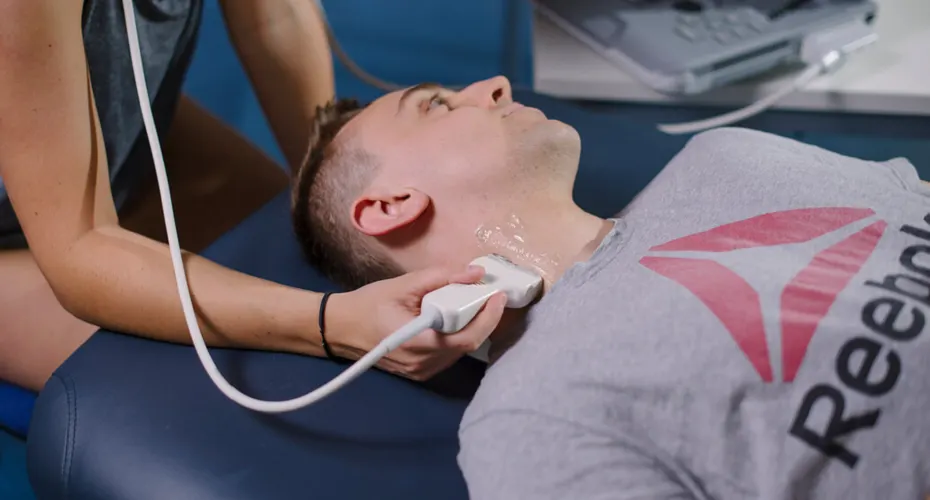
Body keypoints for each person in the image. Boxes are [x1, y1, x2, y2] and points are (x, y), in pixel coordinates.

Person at [291, 75, 930, 498]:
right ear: (391, 204)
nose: (493, 84)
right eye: (436, 104)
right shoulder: (526, 423)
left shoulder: (728, 154)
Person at [0, 0, 506, 394]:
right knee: (263, 374)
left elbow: (275, 21)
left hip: (105, 129)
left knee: (322, 252)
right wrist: (329, 326)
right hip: (21, 238)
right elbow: (81, 242)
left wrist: (341, 194)